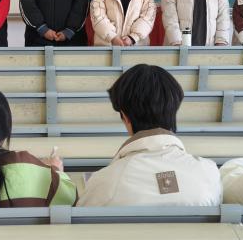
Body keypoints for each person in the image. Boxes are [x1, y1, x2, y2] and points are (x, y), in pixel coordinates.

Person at [78, 64, 221, 207]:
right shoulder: (210, 173)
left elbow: (82, 217)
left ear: (125, 116)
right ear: (173, 109)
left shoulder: (104, 182)